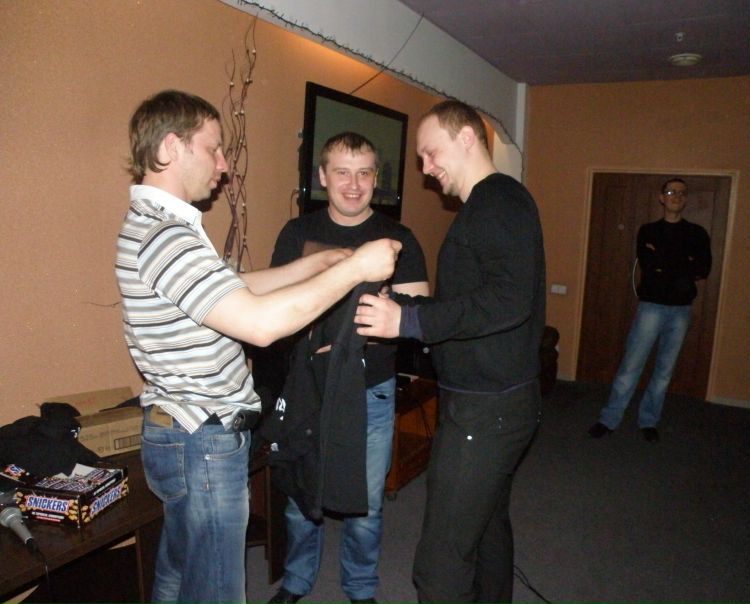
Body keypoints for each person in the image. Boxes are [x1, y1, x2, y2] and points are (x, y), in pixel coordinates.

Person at [115, 90, 401, 604]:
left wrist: (312, 265)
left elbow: (233, 290)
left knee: (178, 572)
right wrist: (357, 267)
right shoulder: (166, 237)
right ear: (173, 147)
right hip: (201, 440)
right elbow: (260, 325)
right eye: (214, 148)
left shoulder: (163, 226)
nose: (223, 165)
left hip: (181, 431)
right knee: (215, 590)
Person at [354, 100, 546, 604]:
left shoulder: (497, 201)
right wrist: (404, 306)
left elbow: (509, 300)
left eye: (430, 152)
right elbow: (468, 303)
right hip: (494, 402)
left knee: (440, 563)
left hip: (486, 410)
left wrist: (409, 321)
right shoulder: (489, 204)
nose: (425, 167)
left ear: (466, 138)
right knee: (485, 531)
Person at [266, 132, 429, 604]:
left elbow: (418, 314)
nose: (353, 185)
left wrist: (388, 315)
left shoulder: (399, 239)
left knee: (366, 504)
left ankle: (360, 587)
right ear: (323, 176)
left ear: (376, 178)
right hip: (308, 388)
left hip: (369, 387)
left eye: (363, 173)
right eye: (342, 172)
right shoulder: (297, 234)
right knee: (301, 493)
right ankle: (297, 581)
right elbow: (276, 304)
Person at [588, 178, 711, 442]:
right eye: (671, 192)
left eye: (681, 193)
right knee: (631, 366)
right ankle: (609, 419)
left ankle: (649, 420)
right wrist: (683, 261)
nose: (676, 196)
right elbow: (650, 264)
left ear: (686, 199)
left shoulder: (697, 233)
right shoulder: (649, 231)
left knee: (664, 371)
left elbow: (703, 269)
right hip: (651, 308)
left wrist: (666, 260)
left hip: (681, 310)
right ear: (661, 198)